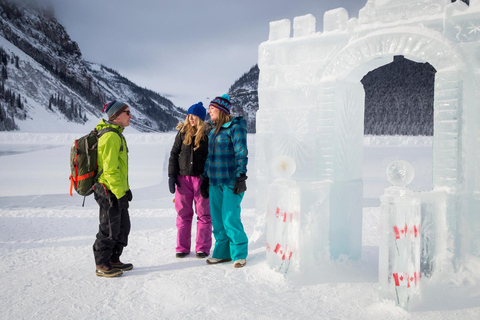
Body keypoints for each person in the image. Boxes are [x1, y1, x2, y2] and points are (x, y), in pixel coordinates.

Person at [200, 94, 249, 268]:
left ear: (220, 110)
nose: (209, 111)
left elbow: (241, 152)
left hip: (231, 180)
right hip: (214, 181)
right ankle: (222, 253)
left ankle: (239, 253)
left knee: (230, 218)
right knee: (218, 219)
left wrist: (241, 176)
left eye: (211, 109)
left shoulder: (235, 127)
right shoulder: (213, 130)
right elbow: (209, 158)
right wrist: (205, 178)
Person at [93, 100, 133, 277]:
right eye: (127, 112)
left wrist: (125, 189)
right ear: (115, 116)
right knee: (109, 228)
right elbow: (110, 170)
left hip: (117, 190)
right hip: (108, 191)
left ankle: (113, 259)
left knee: (123, 226)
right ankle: (102, 263)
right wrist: (119, 193)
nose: (130, 116)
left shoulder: (117, 134)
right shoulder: (110, 137)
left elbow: (119, 168)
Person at [168, 102, 212, 259]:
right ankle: (182, 247)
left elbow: (211, 158)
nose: (191, 118)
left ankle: (202, 248)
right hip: (183, 179)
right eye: (189, 115)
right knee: (183, 214)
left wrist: (207, 177)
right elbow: (174, 154)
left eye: (194, 116)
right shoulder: (182, 133)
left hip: (201, 179)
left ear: (201, 117)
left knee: (204, 215)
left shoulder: (208, 134)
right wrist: (172, 176)